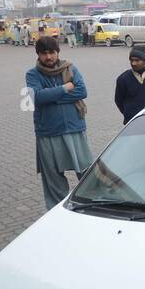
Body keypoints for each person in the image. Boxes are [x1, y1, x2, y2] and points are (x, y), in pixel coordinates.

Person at [26, 36, 93, 210]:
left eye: (52, 52)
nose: (48, 57)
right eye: (44, 53)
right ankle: (57, 213)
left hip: (74, 128)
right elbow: (35, 98)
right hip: (48, 132)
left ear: (58, 52)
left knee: (87, 173)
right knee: (53, 179)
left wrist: (51, 97)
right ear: (38, 55)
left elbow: (82, 91)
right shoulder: (32, 74)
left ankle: (94, 205)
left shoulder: (70, 68)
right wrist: (64, 88)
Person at [114, 46, 145, 125]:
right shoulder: (123, 79)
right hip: (132, 122)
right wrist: (128, 113)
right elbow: (118, 100)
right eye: (131, 60)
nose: (133, 63)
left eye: (137, 60)